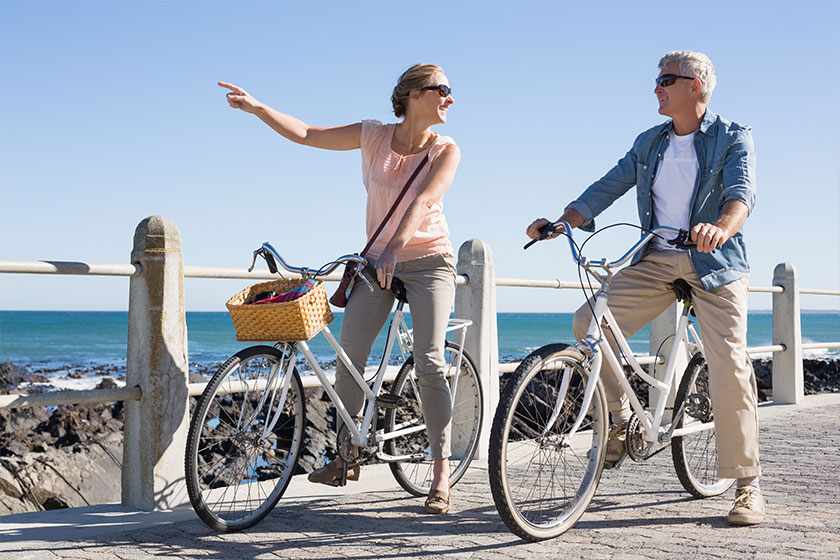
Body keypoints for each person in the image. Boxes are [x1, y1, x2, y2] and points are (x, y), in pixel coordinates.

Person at [526, 51, 763, 526]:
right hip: (655, 259)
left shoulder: (733, 137)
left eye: (666, 80)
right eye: (657, 79)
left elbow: (742, 194)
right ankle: (617, 420)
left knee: (730, 363)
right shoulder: (649, 142)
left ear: (695, 86)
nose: (657, 87)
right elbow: (606, 186)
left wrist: (721, 227)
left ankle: (747, 484)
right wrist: (562, 222)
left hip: (715, 262)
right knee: (588, 321)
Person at [220, 63, 460, 514]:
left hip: (429, 262)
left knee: (429, 360)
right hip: (375, 263)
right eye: (441, 89)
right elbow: (308, 133)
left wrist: (397, 247)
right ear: (411, 94)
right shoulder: (373, 136)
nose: (450, 98)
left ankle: (441, 471)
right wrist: (257, 108)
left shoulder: (446, 149)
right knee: (348, 357)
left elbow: (426, 199)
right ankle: (346, 454)